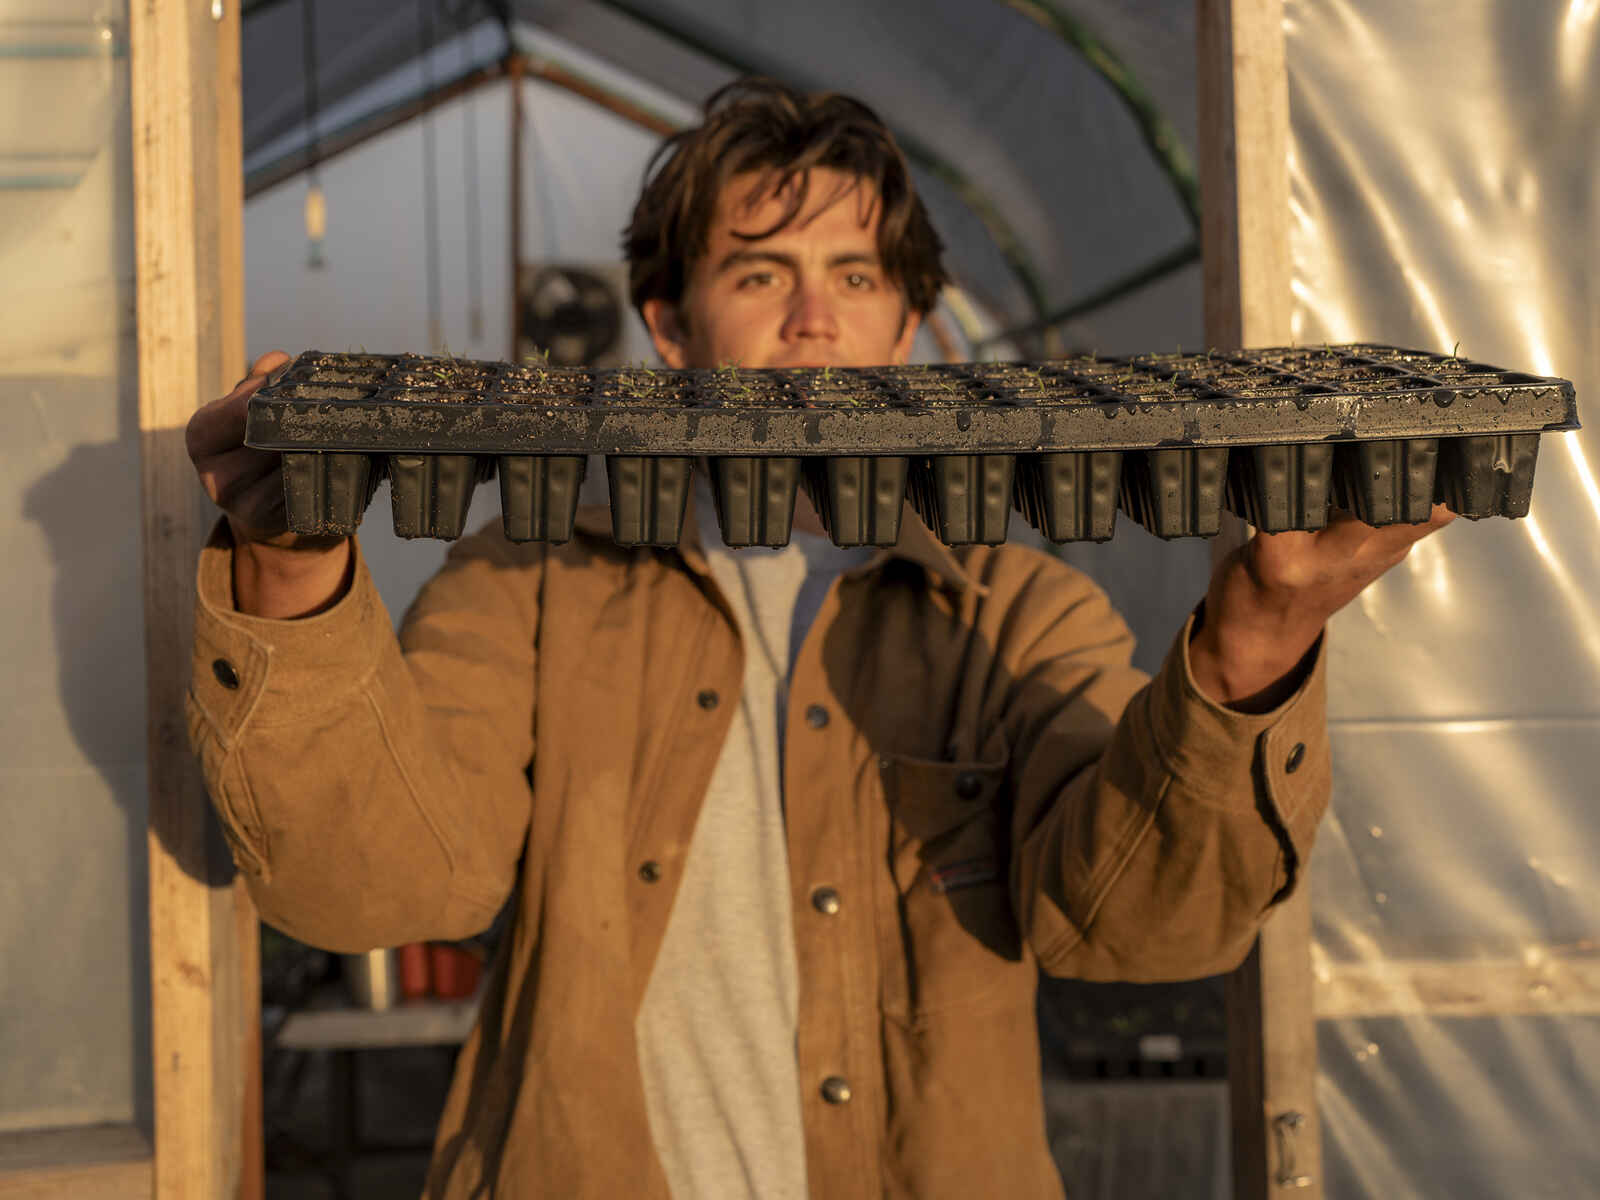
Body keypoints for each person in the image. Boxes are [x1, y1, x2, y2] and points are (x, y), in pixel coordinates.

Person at [185, 80, 1452, 1199]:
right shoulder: (530, 582)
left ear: (906, 327)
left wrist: (1251, 645)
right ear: (671, 326)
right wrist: (291, 572)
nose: (811, 319)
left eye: (854, 277)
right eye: (758, 273)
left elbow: (1136, 932)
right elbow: (379, 889)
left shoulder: (1013, 609)